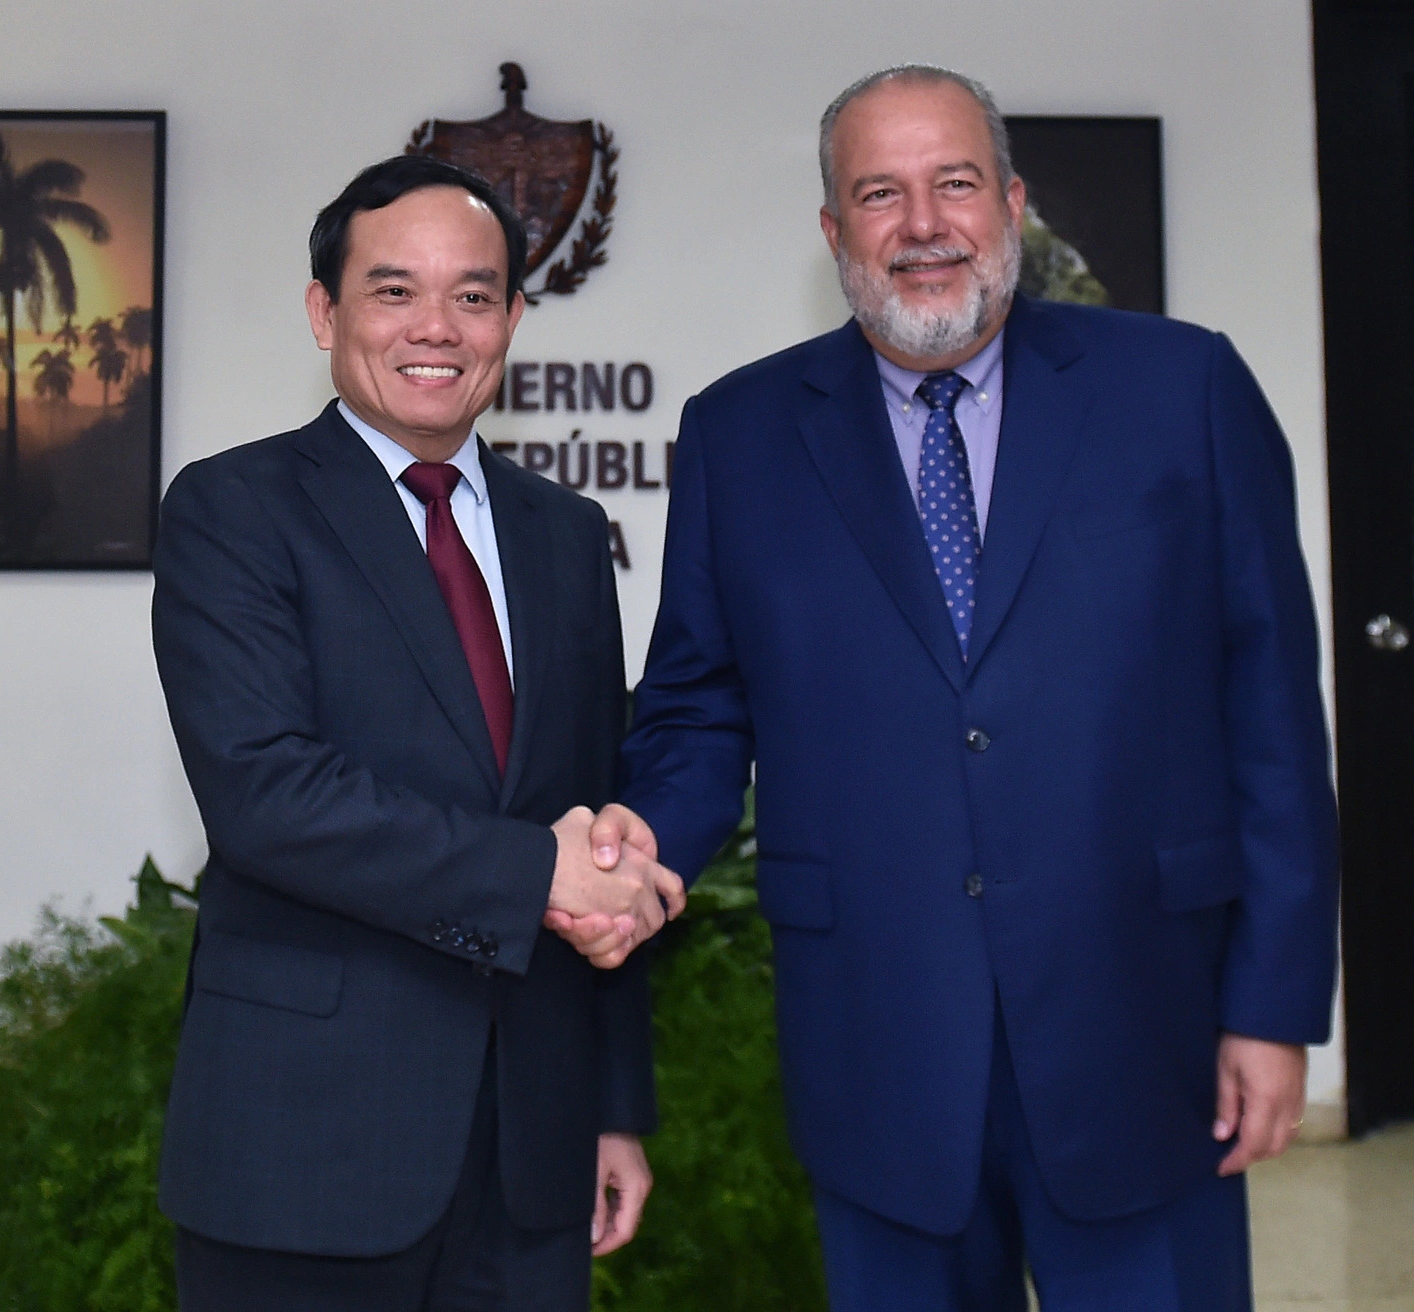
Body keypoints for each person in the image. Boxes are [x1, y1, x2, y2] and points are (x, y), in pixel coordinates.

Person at [558, 66, 1338, 1310]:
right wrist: (636, 848)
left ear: (1010, 202)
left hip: (1146, 1027)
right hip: (876, 1041)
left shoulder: (1180, 389)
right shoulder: (740, 433)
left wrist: (1272, 1003)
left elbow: (1272, 715)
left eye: (954, 182)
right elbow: (700, 706)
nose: (922, 224)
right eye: (880, 193)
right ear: (833, 230)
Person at [151, 154, 685, 1312]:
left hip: (533, 1155)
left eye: (472, 294)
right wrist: (533, 870)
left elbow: (593, 819)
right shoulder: (232, 509)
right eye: (393, 290)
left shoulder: (566, 533)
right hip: (304, 1150)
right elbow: (266, 795)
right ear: (323, 310)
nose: (435, 326)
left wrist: (612, 1105)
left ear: (512, 318)